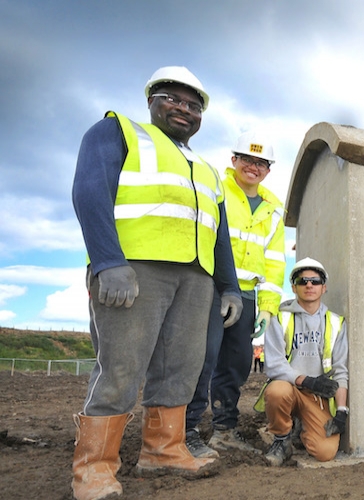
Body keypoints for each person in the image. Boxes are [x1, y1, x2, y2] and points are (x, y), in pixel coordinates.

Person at [71, 66, 242, 500]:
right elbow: (90, 190)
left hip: (196, 276)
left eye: (193, 104)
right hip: (134, 270)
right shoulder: (118, 132)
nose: (183, 108)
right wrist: (108, 260)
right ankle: (93, 468)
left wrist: (229, 287)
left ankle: (164, 450)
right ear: (151, 100)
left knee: (181, 368)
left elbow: (218, 233)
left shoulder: (206, 169)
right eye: (172, 98)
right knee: (122, 366)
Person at [185, 131, 286, 458]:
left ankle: (224, 431)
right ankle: (184, 430)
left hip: (246, 295)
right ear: (234, 161)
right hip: (210, 288)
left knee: (238, 364)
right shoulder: (217, 189)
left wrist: (267, 307)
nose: (253, 167)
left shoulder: (273, 207)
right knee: (202, 359)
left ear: (268, 169)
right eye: (247, 160)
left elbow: (274, 260)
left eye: (261, 163)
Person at [255, 258, 349, 465]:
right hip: (289, 387)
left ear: (324, 287)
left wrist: (342, 411)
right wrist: (306, 380)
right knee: (277, 391)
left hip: (316, 398)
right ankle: (282, 439)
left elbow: (341, 370)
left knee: (325, 452)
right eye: (302, 280)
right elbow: (274, 366)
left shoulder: (336, 322)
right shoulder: (279, 318)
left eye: (315, 281)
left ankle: (300, 428)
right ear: (294, 287)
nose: (309, 285)